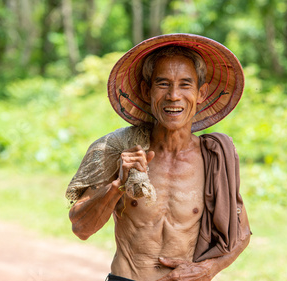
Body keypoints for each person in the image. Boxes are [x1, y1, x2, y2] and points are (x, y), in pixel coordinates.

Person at [66, 34, 251, 281]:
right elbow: (81, 228)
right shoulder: (118, 148)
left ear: (201, 93)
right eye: (163, 84)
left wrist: (209, 269)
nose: (174, 95)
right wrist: (117, 186)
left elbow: (242, 233)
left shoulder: (214, 157)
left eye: (185, 84)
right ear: (146, 90)